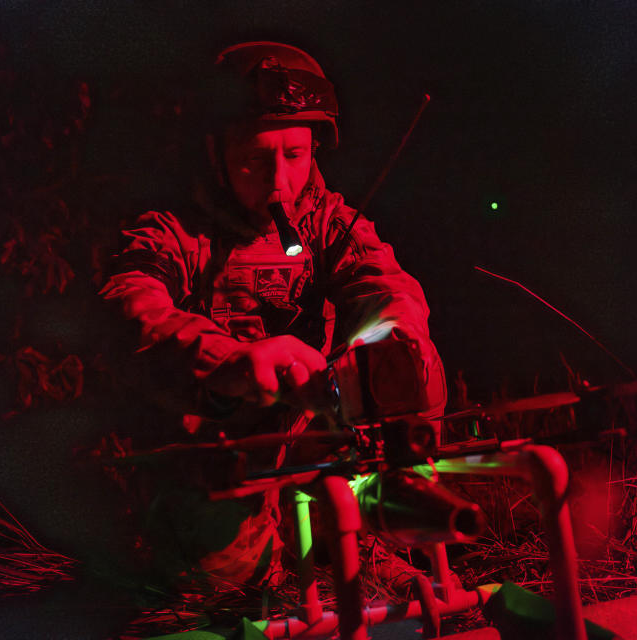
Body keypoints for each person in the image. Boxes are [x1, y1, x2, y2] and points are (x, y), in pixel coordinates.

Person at [100, 41, 446, 591]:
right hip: (220, 465)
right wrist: (231, 361)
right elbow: (128, 303)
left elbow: (385, 286)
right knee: (228, 591)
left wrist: (395, 346)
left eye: (295, 155)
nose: (279, 181)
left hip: (318, 449)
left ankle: (346, 543)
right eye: (255, 161)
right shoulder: (173, 232)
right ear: (214, 154)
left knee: (372, 572)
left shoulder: (329, 221)